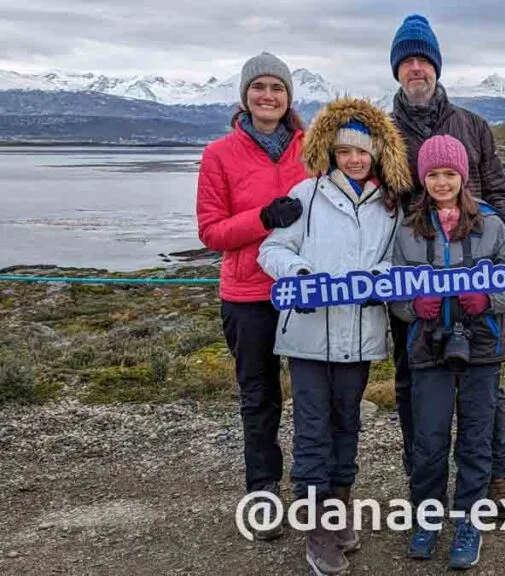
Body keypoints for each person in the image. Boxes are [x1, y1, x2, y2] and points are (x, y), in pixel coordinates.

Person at [258, 97, 412, 576]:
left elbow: (398, 260)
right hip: (306, 337)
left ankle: (339, 511)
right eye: (345, 151)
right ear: (330, 152)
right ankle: (317, 532)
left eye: (362, 153)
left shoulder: (391, 206)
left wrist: (381, 279)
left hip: (360, 336)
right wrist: (298, 272)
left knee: (348, 425)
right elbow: (272, 249)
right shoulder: (305, 196)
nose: (354, 159)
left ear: (378, 156)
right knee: (312, 430)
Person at [387, 13, 505, 506]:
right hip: (415, 271)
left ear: (437, 67)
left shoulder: (474, 126)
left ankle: (496, 476)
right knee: (413, 377)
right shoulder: (384, 134)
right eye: (406, 61)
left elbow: (497, 194)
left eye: (423, 59)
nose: (416, 68)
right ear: (396, 71)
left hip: (475, 268)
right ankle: (421, 479)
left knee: (485, 378)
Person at [389, 134, 505, 569]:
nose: (442, 182)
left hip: (481, 347)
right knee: (428, 439)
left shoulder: (492, 224)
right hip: (428, 348)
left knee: (475, 438)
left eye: (450, 173)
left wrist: (489, 302)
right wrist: (414, 307)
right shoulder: (408, 229)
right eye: (433, 174)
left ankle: (469, 520)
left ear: (463, 176)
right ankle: (427, 517)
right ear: (423, 178)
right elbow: (392, 287)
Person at [195, 52, 307, 541]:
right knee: (259, 399)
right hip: (247, 294)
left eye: (277, 88)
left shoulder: (312, 148)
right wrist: (264, 218)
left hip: (305, 290)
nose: (268, 96)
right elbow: (210, 231)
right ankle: (263, 493)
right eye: (259, 87)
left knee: (312, 397)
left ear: (288, 97)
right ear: (244, 95)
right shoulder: (219, 154)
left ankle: (313, 493)